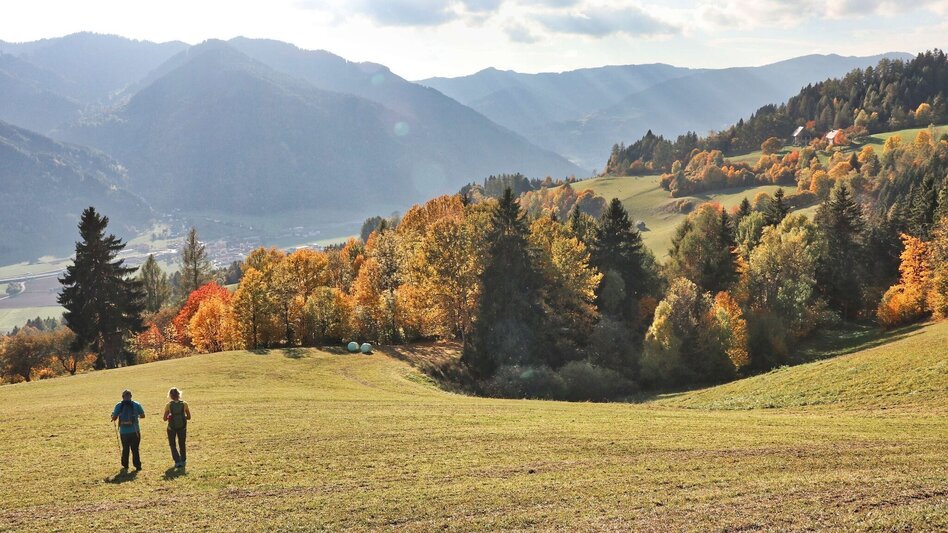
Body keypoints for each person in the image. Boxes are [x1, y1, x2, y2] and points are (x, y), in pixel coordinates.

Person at [111, 389, 145, 471]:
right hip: (135, 431)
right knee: (135, 449)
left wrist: (113, 415)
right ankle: (137, 466)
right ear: (131, 396)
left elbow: (114, 418)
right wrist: (136, 417)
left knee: (125, 448)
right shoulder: (136, 404)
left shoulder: (119, 405)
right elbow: (143, 415)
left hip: (124, 432)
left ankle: (125, 465)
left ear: (122, 397)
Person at [163, 387, 191, 468]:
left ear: (170, 396)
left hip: (171, 428)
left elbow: (164, 419)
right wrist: (182, 417)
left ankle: (177, 461)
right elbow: (189, 417)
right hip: (182, 427)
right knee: (182, 443)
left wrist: (171, 417)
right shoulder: (184, 404)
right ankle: (183, 459)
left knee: (172, 444)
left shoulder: (168, 405)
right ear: (179, 394)